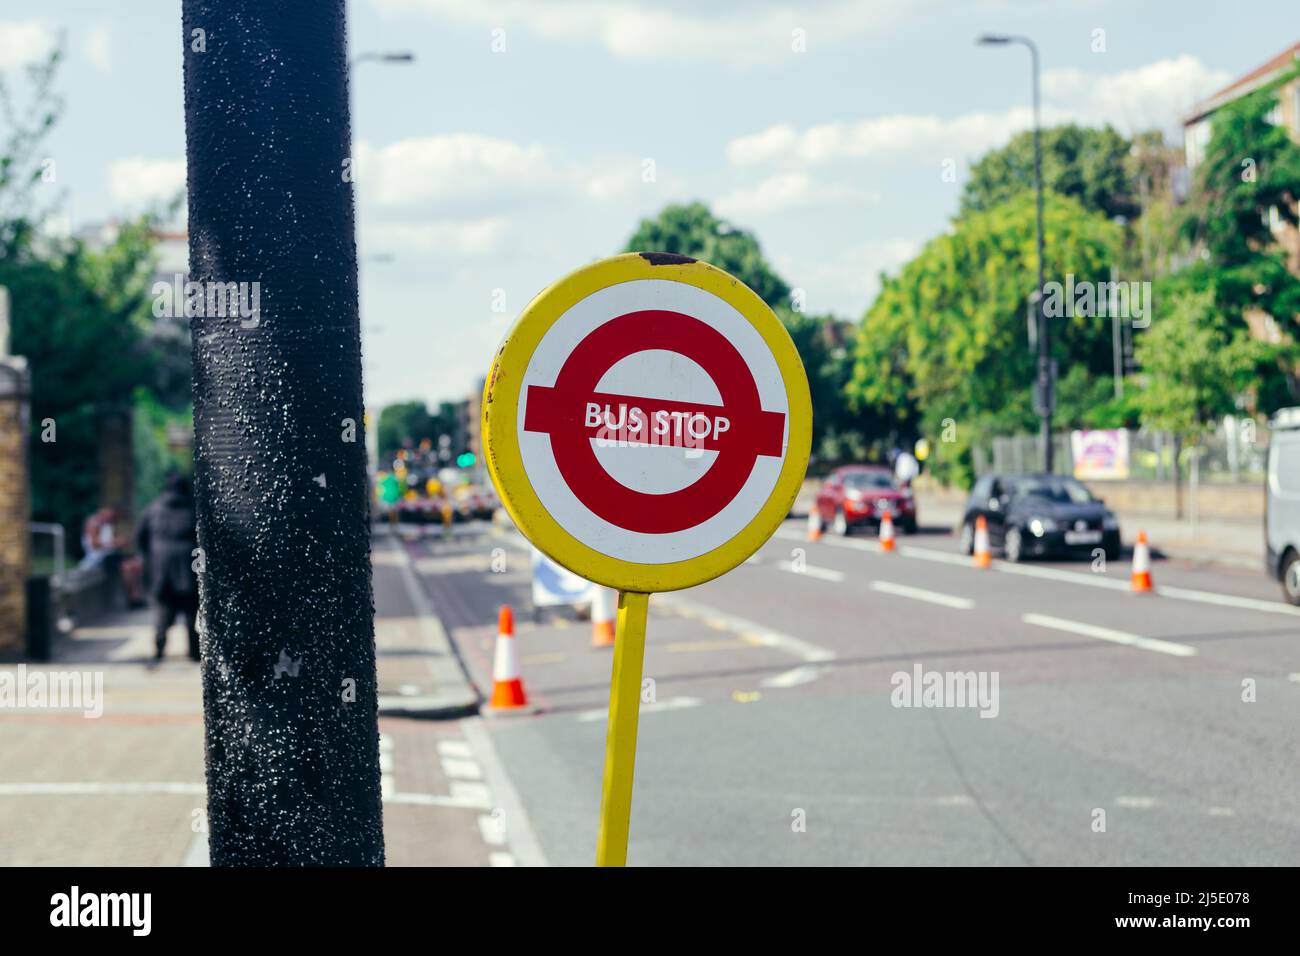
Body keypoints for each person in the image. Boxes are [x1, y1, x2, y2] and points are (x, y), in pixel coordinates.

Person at [136, 474, 200, 663]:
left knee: (163, 610)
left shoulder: (153, 509)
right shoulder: (193, 509)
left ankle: (159, 648)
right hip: (188, 568)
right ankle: (194, 652)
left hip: (161, 568)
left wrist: (151, 557)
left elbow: (140, 537)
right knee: (191, 612)